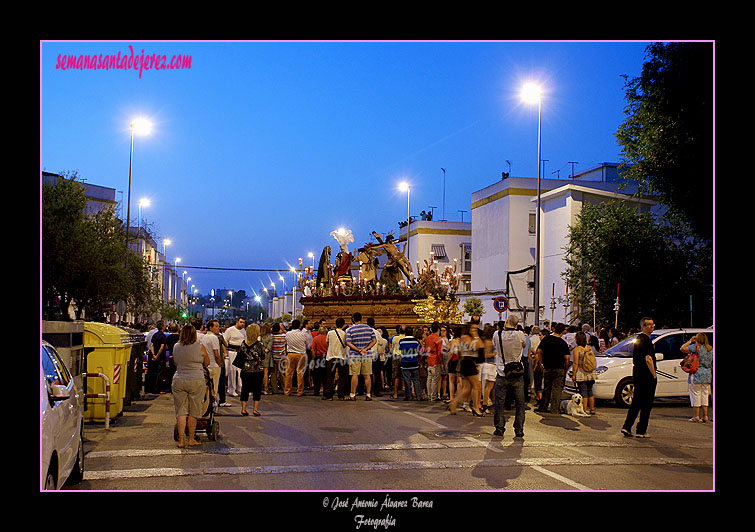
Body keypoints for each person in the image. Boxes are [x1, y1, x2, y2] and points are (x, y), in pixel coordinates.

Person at [171, 324, 210, 448]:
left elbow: (175, 362)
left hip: (179, 379)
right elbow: (207, 363)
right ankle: (191, 439)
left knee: (181, 411)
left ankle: (181, 440)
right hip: (196, 380)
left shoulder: (176, 346)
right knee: (194, 410)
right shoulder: (200, 347)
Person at [621, 317, 657, 438]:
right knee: (646, 403)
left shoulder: (638, 339)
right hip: (646, 376)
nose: (652, 327)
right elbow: (648, 358)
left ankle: (627, 426)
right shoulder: (646, 340)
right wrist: (654, 374)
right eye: (649, 325)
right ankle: (641, 430)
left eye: (653, 325)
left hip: (637, 374)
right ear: (643, 326)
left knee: (636, 402)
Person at [492, 315, 527, 437]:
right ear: (516, 325)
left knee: (499, 402)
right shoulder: (520, 335)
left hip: (502, 372)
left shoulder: (497, 334)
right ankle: (519, 429)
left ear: (506, 322)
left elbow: (495, 346)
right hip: (516, 374)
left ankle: (499, 428)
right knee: (519, 403)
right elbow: (524, 345)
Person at [449, 323, 485, 416]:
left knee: (467, 388)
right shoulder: (465, 337)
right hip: (467, 362)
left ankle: (454, 403)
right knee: (476, 385)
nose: (475, 329)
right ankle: (476, 407)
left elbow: (481, 345)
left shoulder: (471, 337)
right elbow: (475, 347)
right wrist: (476, 336)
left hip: (470, 362)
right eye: (473, 328)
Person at [535, 322, 570, 414]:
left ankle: (543, 406)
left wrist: (541, 362)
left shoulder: (546, 340)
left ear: (554, 329)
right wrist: (565, 368)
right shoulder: (563, 343)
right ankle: (554, 409)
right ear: (562, 332)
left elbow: (539, 351)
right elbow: (567, 358)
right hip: (559, 368)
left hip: (547, 367)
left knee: (546, 388)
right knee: (557, 389)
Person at [681, 332, 713, 423]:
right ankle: (705, 416)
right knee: (705, 395)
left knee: (695, 395)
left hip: (696, 374)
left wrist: (690, 341)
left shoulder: (695, 347)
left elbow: (682, 348)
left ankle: (696, 416)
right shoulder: (710, 349)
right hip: (707, 375)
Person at [345, 312, 376, 401]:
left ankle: (352, 394)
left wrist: (358, 350)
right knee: (367, 375)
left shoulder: (351, 329)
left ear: (353, 319)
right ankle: (368, 394)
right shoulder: (369, 329)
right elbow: (374, 341)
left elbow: (348, 343)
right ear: (361, 318)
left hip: (355, 355)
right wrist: (365, 349)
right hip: (367, 354)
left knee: (355, 375)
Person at [237, 323, 265, 416]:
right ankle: (255, 409)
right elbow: (263, 357)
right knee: (257, 389)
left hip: (245, 369)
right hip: (257, 370)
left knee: (245, 388)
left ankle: (244, 408)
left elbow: (240, 355)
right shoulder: (259, 344)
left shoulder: (243, 343)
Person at [571, 331, 597, 415]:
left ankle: (584, 410)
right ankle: (592, 409)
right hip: (590, 373)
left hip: (581, 373)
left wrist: (574, 374)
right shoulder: (589, 348)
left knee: (583, 392)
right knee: (590, 391)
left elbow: (575, 363)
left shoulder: (577, 349)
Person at [284, 319, 312, 396]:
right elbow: (307, 344)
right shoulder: (303, 334)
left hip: (290, 354)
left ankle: (287, 391)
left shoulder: (288, 334)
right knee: (300, 373)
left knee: (288, 373)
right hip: (301, 354)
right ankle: (300, 391)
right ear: (299, 326)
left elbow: (286, 342)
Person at [324, 317, 349, 400]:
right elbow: (346, 344)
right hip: (341, 357)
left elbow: (327, 343)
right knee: (342, 377)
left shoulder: (330, 333)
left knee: (330, 377)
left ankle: (329, 395)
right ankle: (341, 395)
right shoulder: (345, 334)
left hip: (331, 356)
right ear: (343, 324)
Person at [201, 320, 224, 407]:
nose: (218, 328)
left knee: (207, 388)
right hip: (214, 365)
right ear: (211, 327)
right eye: (216, 326)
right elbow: (216, 354)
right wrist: (219, 364)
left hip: (207, 365)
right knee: (214, 388)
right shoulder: (214, 338)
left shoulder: (205, 337)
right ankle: (212, 407)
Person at [223, 317, 246, 398]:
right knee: (232, 371)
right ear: (237, 322)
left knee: (241, 371)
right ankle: (231, 389)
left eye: (243, 322)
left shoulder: (243, 331)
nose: (242, 324)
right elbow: (224, 341)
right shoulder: (230, 330)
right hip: (232, 351)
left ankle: (240, 388)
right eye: (241, 322)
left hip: (240, 352)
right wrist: (225, 352)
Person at [398, 326, 423, 401]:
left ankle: (408, 396)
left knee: (407, 380)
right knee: (416, 380)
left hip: (405, 363)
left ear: (405, 333)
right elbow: (419, 351)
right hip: (414, 362)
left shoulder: (401, 341)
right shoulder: (416, 341)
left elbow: (400, 349)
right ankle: (418, 396)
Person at [424, 323, 444, 401]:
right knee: (435, 379)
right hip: (435, 360)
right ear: (438, 330)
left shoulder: (427, 338)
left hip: (429, 359)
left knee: (429, 378)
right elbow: (440, 352)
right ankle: (433, 396)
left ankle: (429, 395)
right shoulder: (438, 339)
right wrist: (441, 362)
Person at [480, 325, 497, 413]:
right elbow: (486, 355)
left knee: (489, 387)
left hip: (489, 365)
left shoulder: (486, 342)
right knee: (489, 387)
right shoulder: (488, 343)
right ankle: (485, 404)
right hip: (489, 365)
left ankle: (487, 403)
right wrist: (495, 353)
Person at [311, 325, 328, 396]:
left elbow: (312, 349)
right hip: (326, 357)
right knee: (325, 375)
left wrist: (313, 358)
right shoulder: (327, 338)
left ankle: (316, 390)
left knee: (316, 375)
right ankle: (325, 390)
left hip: (318, 357)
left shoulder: (315, 338)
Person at [270, 323, 287, 394]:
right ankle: (284, 388)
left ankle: (274, 389)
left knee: (273, 374)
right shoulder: (284, 336)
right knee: (282, 374)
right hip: (282, 357)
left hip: (274, 357)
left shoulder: (272, 337)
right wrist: (283, 330)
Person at [164, 323, 180, 390]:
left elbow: (166, 347)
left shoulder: (169, 337)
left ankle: (171, 387)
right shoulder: (180, 337)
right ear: (178, 329)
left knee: (171, 372)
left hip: (171, 356)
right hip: (179, 357)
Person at [390, 326, 405, 399]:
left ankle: (395, 393)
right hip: (404, 356)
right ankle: (405, 389)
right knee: (406, 375)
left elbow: (392, 347)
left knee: (396, 376)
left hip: (396, 357)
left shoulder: (394, 338)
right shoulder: (406, 338)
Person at [260, 323, 273, 394]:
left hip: (260, 355)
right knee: (266, 373)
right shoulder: (270, 337)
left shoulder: (260, 337)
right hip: (267, 356)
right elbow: (269, 348)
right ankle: (265, 389)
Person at [439, 325, 451, 401]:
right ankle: (439, 393)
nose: (442, 332)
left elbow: (450, 347)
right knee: (440, 376)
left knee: (445, 377)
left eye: (444, 330)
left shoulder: (450, 339)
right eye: (441, 330)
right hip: (440, 358)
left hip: (447, 358)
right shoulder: (439, 339)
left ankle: (444, 393)